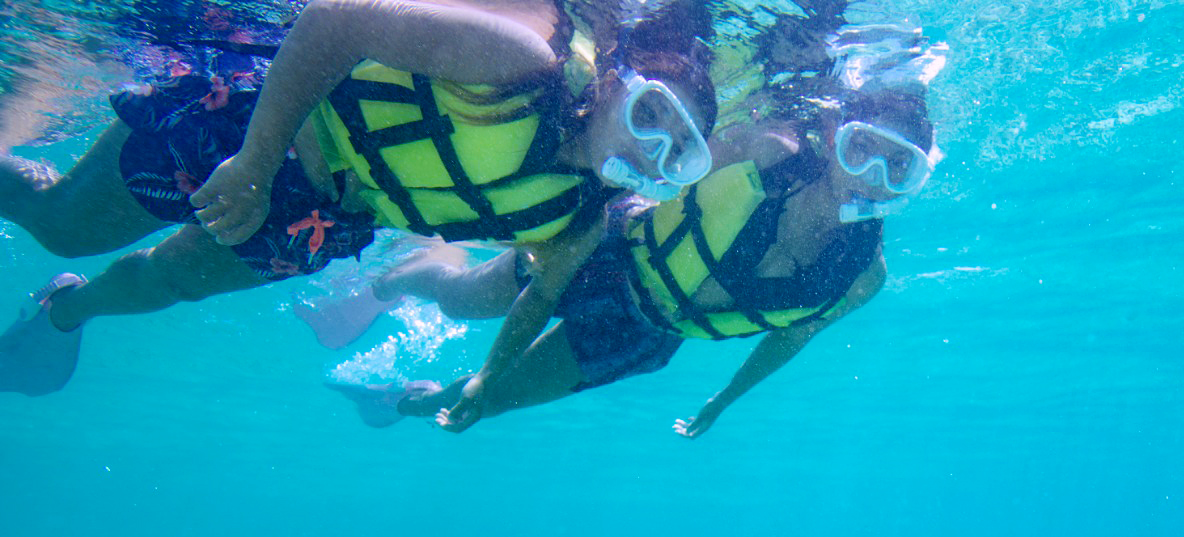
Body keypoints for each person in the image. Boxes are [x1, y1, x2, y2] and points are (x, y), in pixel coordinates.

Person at [0, 0, 716, 397]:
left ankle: (66, 308)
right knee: (62, 224)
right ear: (620, 81)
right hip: (267, 122)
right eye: (649, 113)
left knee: (167, 281)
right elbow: (337, 21)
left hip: (327, 216)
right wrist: (252, 161)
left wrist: (487, 384)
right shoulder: (519, 60)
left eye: (672, 152)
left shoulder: (573, 218)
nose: (646, 149)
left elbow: (535, 299)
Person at [324, 85, 937, 438]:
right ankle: (399, 276)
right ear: (835, 141)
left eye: (897, 166)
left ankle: (399, 399)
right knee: (461, 298)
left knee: (491, 397)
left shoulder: (863, 278)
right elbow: (656, 162)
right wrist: (566, 224)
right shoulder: (765, 151)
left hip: (645, 333)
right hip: (605, 251)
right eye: (861, 150)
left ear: (915, 179)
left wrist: (724, 399)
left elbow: (789, 339)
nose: (871, 179)